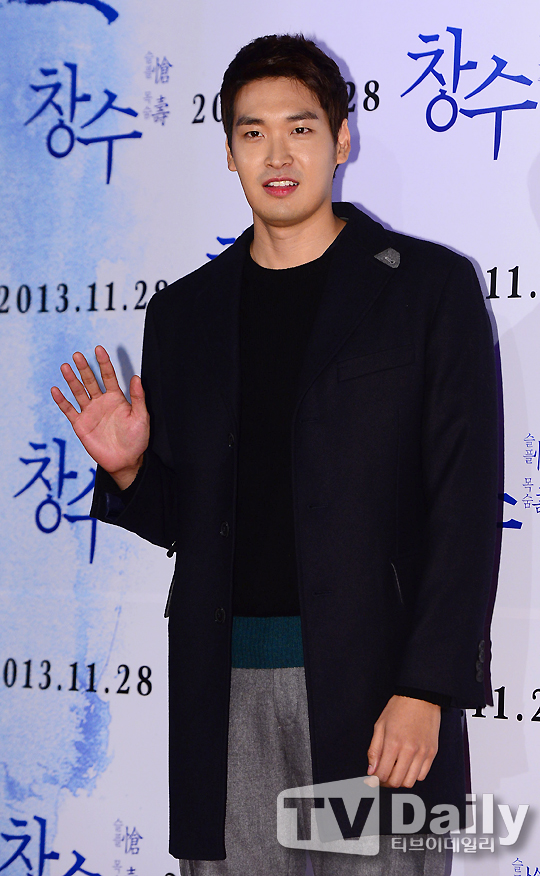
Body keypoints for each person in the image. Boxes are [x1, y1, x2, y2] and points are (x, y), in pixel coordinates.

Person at [51, 34, 499, 876]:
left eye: (300, 127)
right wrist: (130, 469)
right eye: (253, 133)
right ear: (229, 152)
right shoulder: (184, 314)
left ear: (342, 138)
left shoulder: (426, 289)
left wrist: (427, 688)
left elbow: (464, 508)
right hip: (225, 690)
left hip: (376, 686)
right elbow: (196, 522)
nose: (278, 154)